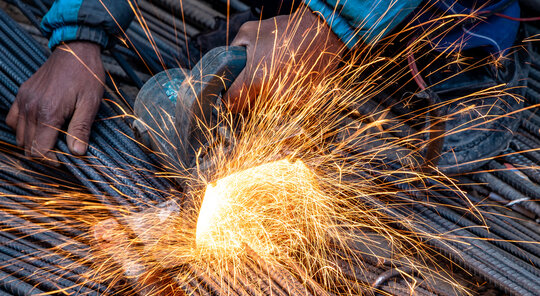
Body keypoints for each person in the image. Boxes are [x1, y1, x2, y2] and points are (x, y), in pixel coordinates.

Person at [5, 0, 526, 173]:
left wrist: (332, 20)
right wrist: (81, 32)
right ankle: (279, 21)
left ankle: (457, 60)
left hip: (435, 38)